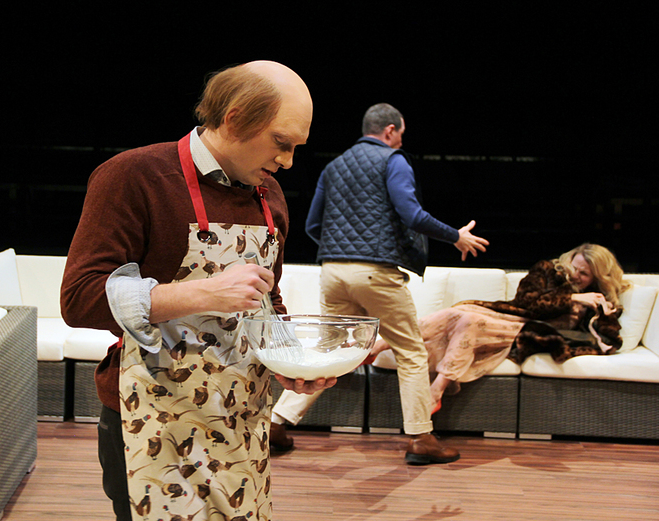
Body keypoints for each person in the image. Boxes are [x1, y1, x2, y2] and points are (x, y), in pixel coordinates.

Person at [60, 61, 332, 521]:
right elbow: (79, 299)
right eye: (281, 143)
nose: (287, 161)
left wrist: (288, 362)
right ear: (235, 118)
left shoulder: (269, 196)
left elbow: (267, 300)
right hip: (152, 418)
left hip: (242, 420)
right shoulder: (134, 176)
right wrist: (203, 294)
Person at [269, 103, 488, 465]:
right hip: (375, 272)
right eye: (400, 134)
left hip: (333, 271)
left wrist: (341, 253)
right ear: (389, 131)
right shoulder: (393, 160)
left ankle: (277, 424)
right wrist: (456, 236)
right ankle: (421, 437)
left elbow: (312, 224)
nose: (401, 141)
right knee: (411, 352)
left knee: (330, 350)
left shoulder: (335, 165)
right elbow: (411, 214)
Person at [422, 243, 631, 408]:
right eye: (574, 267)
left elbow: (609, 339)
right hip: (508, 315)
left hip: (526, 331)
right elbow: (526, 301)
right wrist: (573, 298)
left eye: (583, 274)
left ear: (596, 278)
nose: (575, 275)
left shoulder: (596, 298)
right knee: (454, 314)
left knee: (469, 321)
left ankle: (437, 390)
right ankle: (403, 352)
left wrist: (605, 313)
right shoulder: (548, 270)